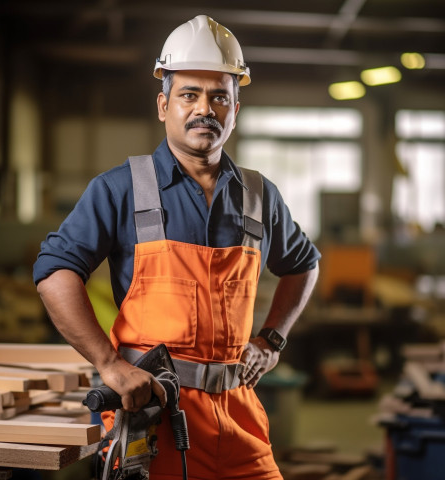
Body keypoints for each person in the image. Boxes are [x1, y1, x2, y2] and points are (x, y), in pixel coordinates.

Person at [34, 15, 320, 480]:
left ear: (235, 109)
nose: (204, 108)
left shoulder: (257, 195)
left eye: (219, 97)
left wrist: (271, 339)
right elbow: (54, 272)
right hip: (153, 418)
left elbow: (304, 263)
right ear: (164, 105)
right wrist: (108, 364)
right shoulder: (121, 189)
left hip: (238, 416)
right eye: (189, 94)